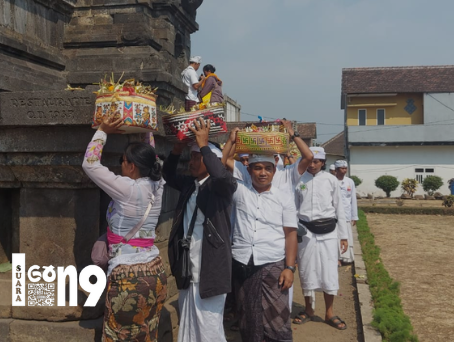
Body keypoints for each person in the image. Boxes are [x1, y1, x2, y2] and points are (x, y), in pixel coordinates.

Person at [82, 116, 167, 341]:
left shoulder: (128, 188)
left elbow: (90, 164)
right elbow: (153, 157)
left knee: (118, 335)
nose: (120, 165)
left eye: (123, 161)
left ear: (131, 166)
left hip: (128, 277)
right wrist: (146, 130)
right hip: (155, 271)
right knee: (146, 335)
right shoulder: (158, 184)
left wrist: (102, 130)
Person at [163, 118, 236, 342]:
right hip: (188, 267)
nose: (192, 162)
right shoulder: (189, 184)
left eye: (198, 158)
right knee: (190, 323)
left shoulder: (221, 187)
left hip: (211, 269)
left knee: (209, 326)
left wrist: (204, 145)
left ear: (209, 160)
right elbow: (168, 174)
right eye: (192, 157)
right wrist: (177, 149)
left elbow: (222, 176)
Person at [230, 154, 298, 341]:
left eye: (268, 168)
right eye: (257, 168)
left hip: (273, 264)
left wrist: (289, 268)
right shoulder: (239, 190)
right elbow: (221, 166)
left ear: (274, 171)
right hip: (242, 262)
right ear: (249, 170)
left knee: (277, 318)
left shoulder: (284, 197)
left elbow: (291, 233)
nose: (263, 173)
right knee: (247, 316)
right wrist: (232, 141)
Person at [291, 147, 349, 331]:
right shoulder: (299, 179)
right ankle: (308, 309)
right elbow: (293, 208)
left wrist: (344, 236)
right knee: (307, 271)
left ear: (323, 163)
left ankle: (329, 312)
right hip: (306, 233)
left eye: (317, 161)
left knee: (329, 272)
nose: (313, 164)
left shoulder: (331, 180)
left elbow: (339, 209)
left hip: (328, 232)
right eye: (310, 161)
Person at [334, 160, 358, 264]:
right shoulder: (332, 181)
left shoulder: (350, 182)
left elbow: (353, 199)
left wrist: (354, 216)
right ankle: (337, 258)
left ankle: (346, 257)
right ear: (336, 170)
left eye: (345, 168)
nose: (344, 171)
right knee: (336, 236)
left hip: (347, 214)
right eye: (342, 168)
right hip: (334, 216)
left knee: (346, 235)